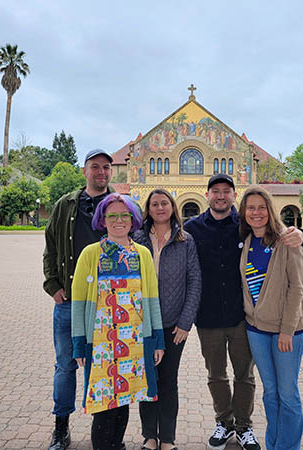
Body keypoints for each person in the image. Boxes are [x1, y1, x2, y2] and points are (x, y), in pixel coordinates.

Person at [184, 174, 303, 450]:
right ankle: (223, 421)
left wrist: (301, 234)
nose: (220, 196)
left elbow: (278, 232)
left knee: (245, 375)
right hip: (208, 317)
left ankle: (244, 427)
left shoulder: (243, 226)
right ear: (207, 195)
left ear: (232, 196)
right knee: (216, 375)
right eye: (215, 191)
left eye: (226, 191)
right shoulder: (192, 227)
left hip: (243, 318)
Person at [71, 193, 165, 449]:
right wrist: (79, 344)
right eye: (112, 215)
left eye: (124, 215)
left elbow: (152, 299)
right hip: (101, 345)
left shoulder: (143, 254)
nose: (119, 220)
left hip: (133, 343)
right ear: (103, 220)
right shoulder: (91, 254)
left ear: (133, 220)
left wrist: (157, 340)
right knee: (103, 406)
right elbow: (78, 304)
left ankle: (117, 445)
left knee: (124, 399)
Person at [43, 149, 115, 450]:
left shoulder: (119, 205)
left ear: (112, 172)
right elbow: (50, 246)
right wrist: (53, 285)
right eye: (95, 167)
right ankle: (61, 428)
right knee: (65, 366)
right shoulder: (65, 205)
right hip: (70, 302)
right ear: (84, 171)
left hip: (107, 304)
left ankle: (103, 432)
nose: (101, 172)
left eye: (106, 167)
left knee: (102, 367)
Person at [132, 189, 202, 450]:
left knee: (168, 381)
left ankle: (168, 439)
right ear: (148, 209)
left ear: (172, 207)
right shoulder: (136, 239)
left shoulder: (186, 240)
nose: (160, 208)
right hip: (144, 324)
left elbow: (195, 281)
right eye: (155, 204)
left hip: (174, 324)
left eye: (164, 203)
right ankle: (150, 437)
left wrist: (185, 322)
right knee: (148, 379)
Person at [238, 186, 303, 450]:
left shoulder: (286, 240)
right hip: (257, 330)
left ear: (270, 209)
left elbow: (296, 287)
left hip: (286, 331)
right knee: (271, 394)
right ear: (244, 213)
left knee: (288, 395)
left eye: (261, 207)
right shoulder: (245, 242)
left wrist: (287, 330)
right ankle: (274, 444)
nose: (256, 213)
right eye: (250, 208)